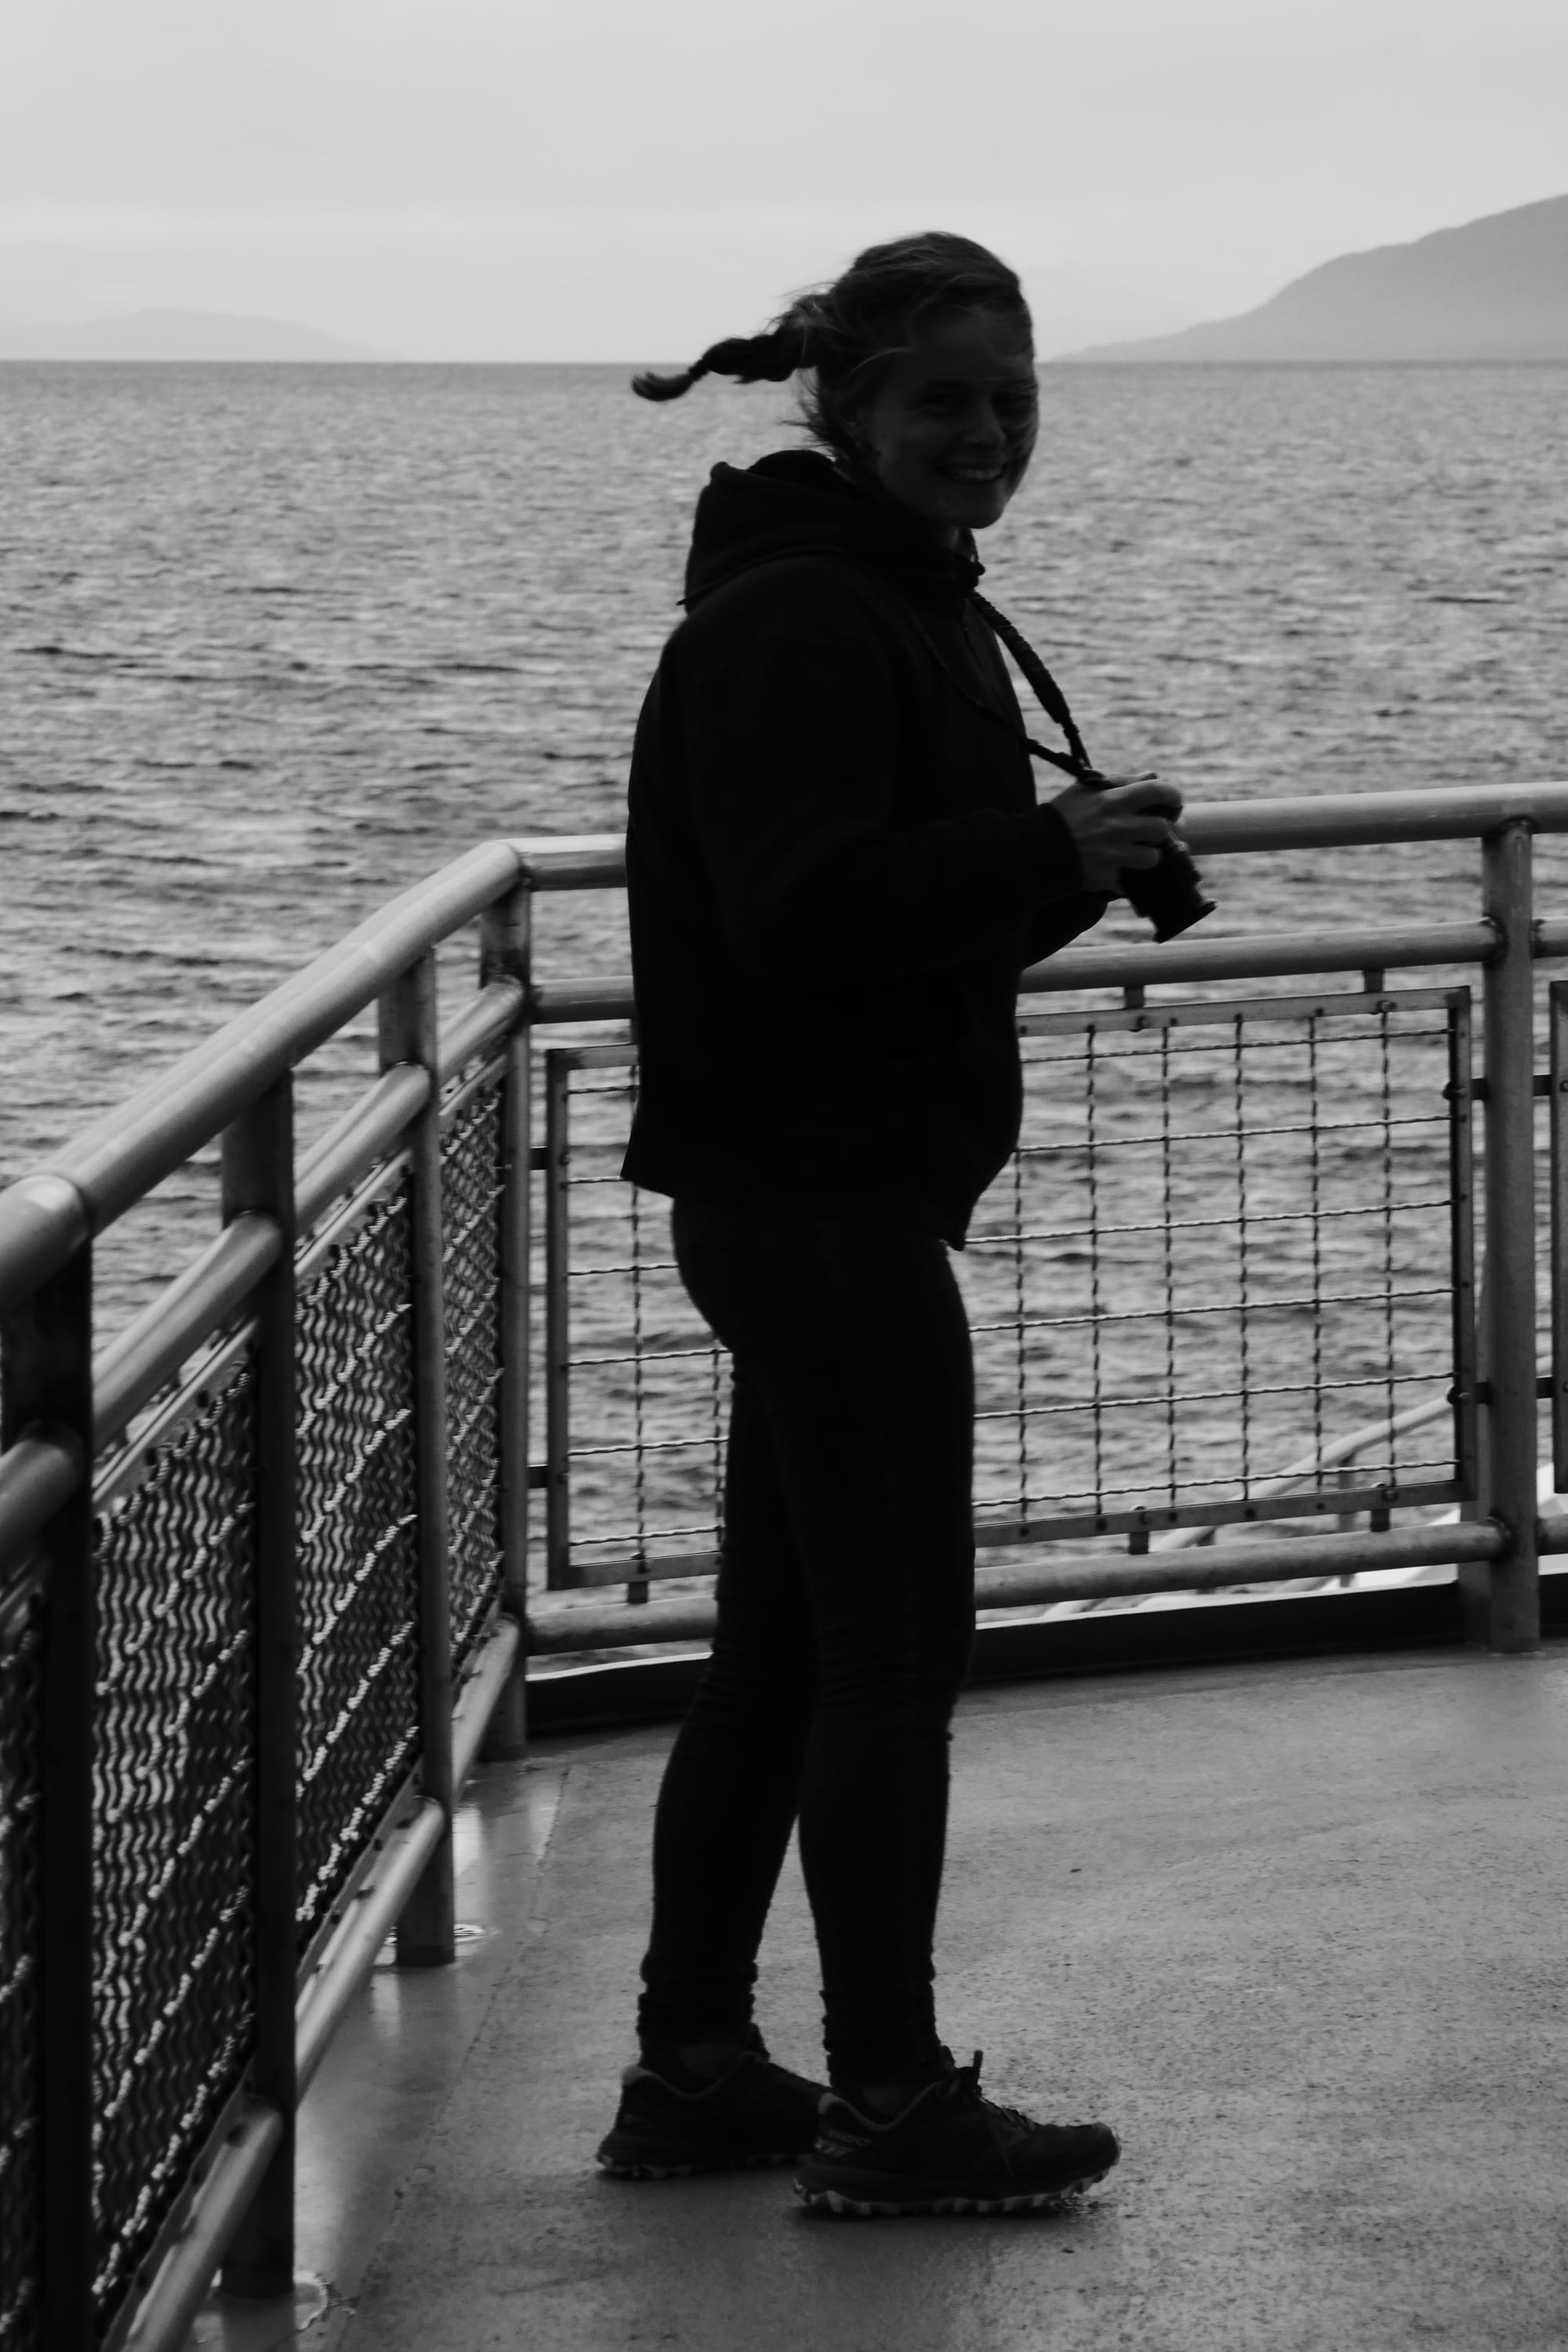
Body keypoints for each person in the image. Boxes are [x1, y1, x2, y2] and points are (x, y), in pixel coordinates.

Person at [594, 230, 1185, 2219]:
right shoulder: (802, 620)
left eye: (1013, 399)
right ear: (847, 405)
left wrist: (1064, 865)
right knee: (891, 1657)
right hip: (820, 1202)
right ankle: (889, 2096)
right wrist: (1040, 847)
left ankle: (695, 2067)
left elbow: (874, 915)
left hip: (803, 1189)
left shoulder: (875, 592)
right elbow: (804, 910)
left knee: (781, 1650)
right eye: (944, 399)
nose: (987, 433)